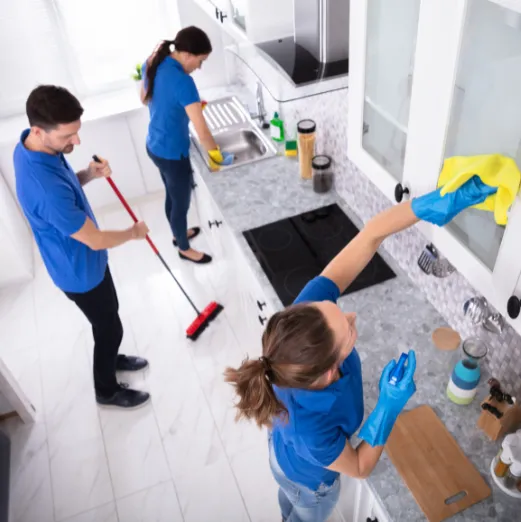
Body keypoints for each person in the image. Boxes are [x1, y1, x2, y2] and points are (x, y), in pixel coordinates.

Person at [225, 178, 497, 522]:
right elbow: (357, 466)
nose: (351, 315)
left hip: (286, 451)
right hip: (309, 483)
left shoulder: (304, 322)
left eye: (335, 308)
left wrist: (426, 207)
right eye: (348, 330)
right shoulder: (310, 427)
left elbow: (370, 236)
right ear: (330, 370)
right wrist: (388, 405)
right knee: (300, 511)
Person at [14, 85, 151, 410]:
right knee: (109, 328)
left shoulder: (30, 147)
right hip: (79, 272)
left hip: (84, 261)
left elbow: (65, 187)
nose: (76, 142)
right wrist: (132, 233)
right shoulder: (45, 188)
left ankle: (111, 357)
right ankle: (106, 390)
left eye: (77, 131)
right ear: (39, 130)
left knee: (108, 319)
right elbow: (94, 239)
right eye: (68, 136)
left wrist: (88, 174)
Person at [141, 26, 234, 265]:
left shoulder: (154, 62)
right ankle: (183, 248)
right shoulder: (184, 82)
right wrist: (216, 155)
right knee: (180, 204)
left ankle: (177, 233)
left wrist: (184, 106)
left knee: (171, 196)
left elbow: (145, 99)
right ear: (187, 54)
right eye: (200, 61)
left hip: (154, 145)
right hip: (173, 153)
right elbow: (202, 131)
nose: (199, 67)